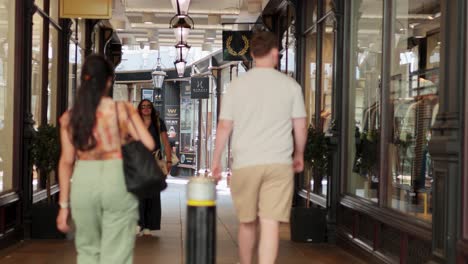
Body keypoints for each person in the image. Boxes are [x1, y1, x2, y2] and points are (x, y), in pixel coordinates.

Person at [211, 31, 307, 264]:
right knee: (270, 222)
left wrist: (216, 161)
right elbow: (300, 125)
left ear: (252, 54)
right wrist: (299, 154)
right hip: (278, 164)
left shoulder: (236, 86)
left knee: (247, 221)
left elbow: (224, 126)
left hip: (246, 163)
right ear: (275, 53)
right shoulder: (290, 86)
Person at [56, 55, 155, 264]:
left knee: (87, 250)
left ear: (85, 79)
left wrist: (64, 205)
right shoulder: (122, 109)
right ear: (109, 80)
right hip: (116, 178)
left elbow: (66, 161)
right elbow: (148, 144)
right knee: (117, 252)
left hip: (84, 179)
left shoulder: (71, 116)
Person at [136, 99, 172, 236]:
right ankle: (140, 223)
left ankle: (149, 226)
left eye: (148, 106)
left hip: (155, 161)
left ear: (152, 108)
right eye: (143, 107)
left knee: (152, 194)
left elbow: (166, 142)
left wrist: (168, 161)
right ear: (139, 109)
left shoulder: (158, 122)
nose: (146, 109)